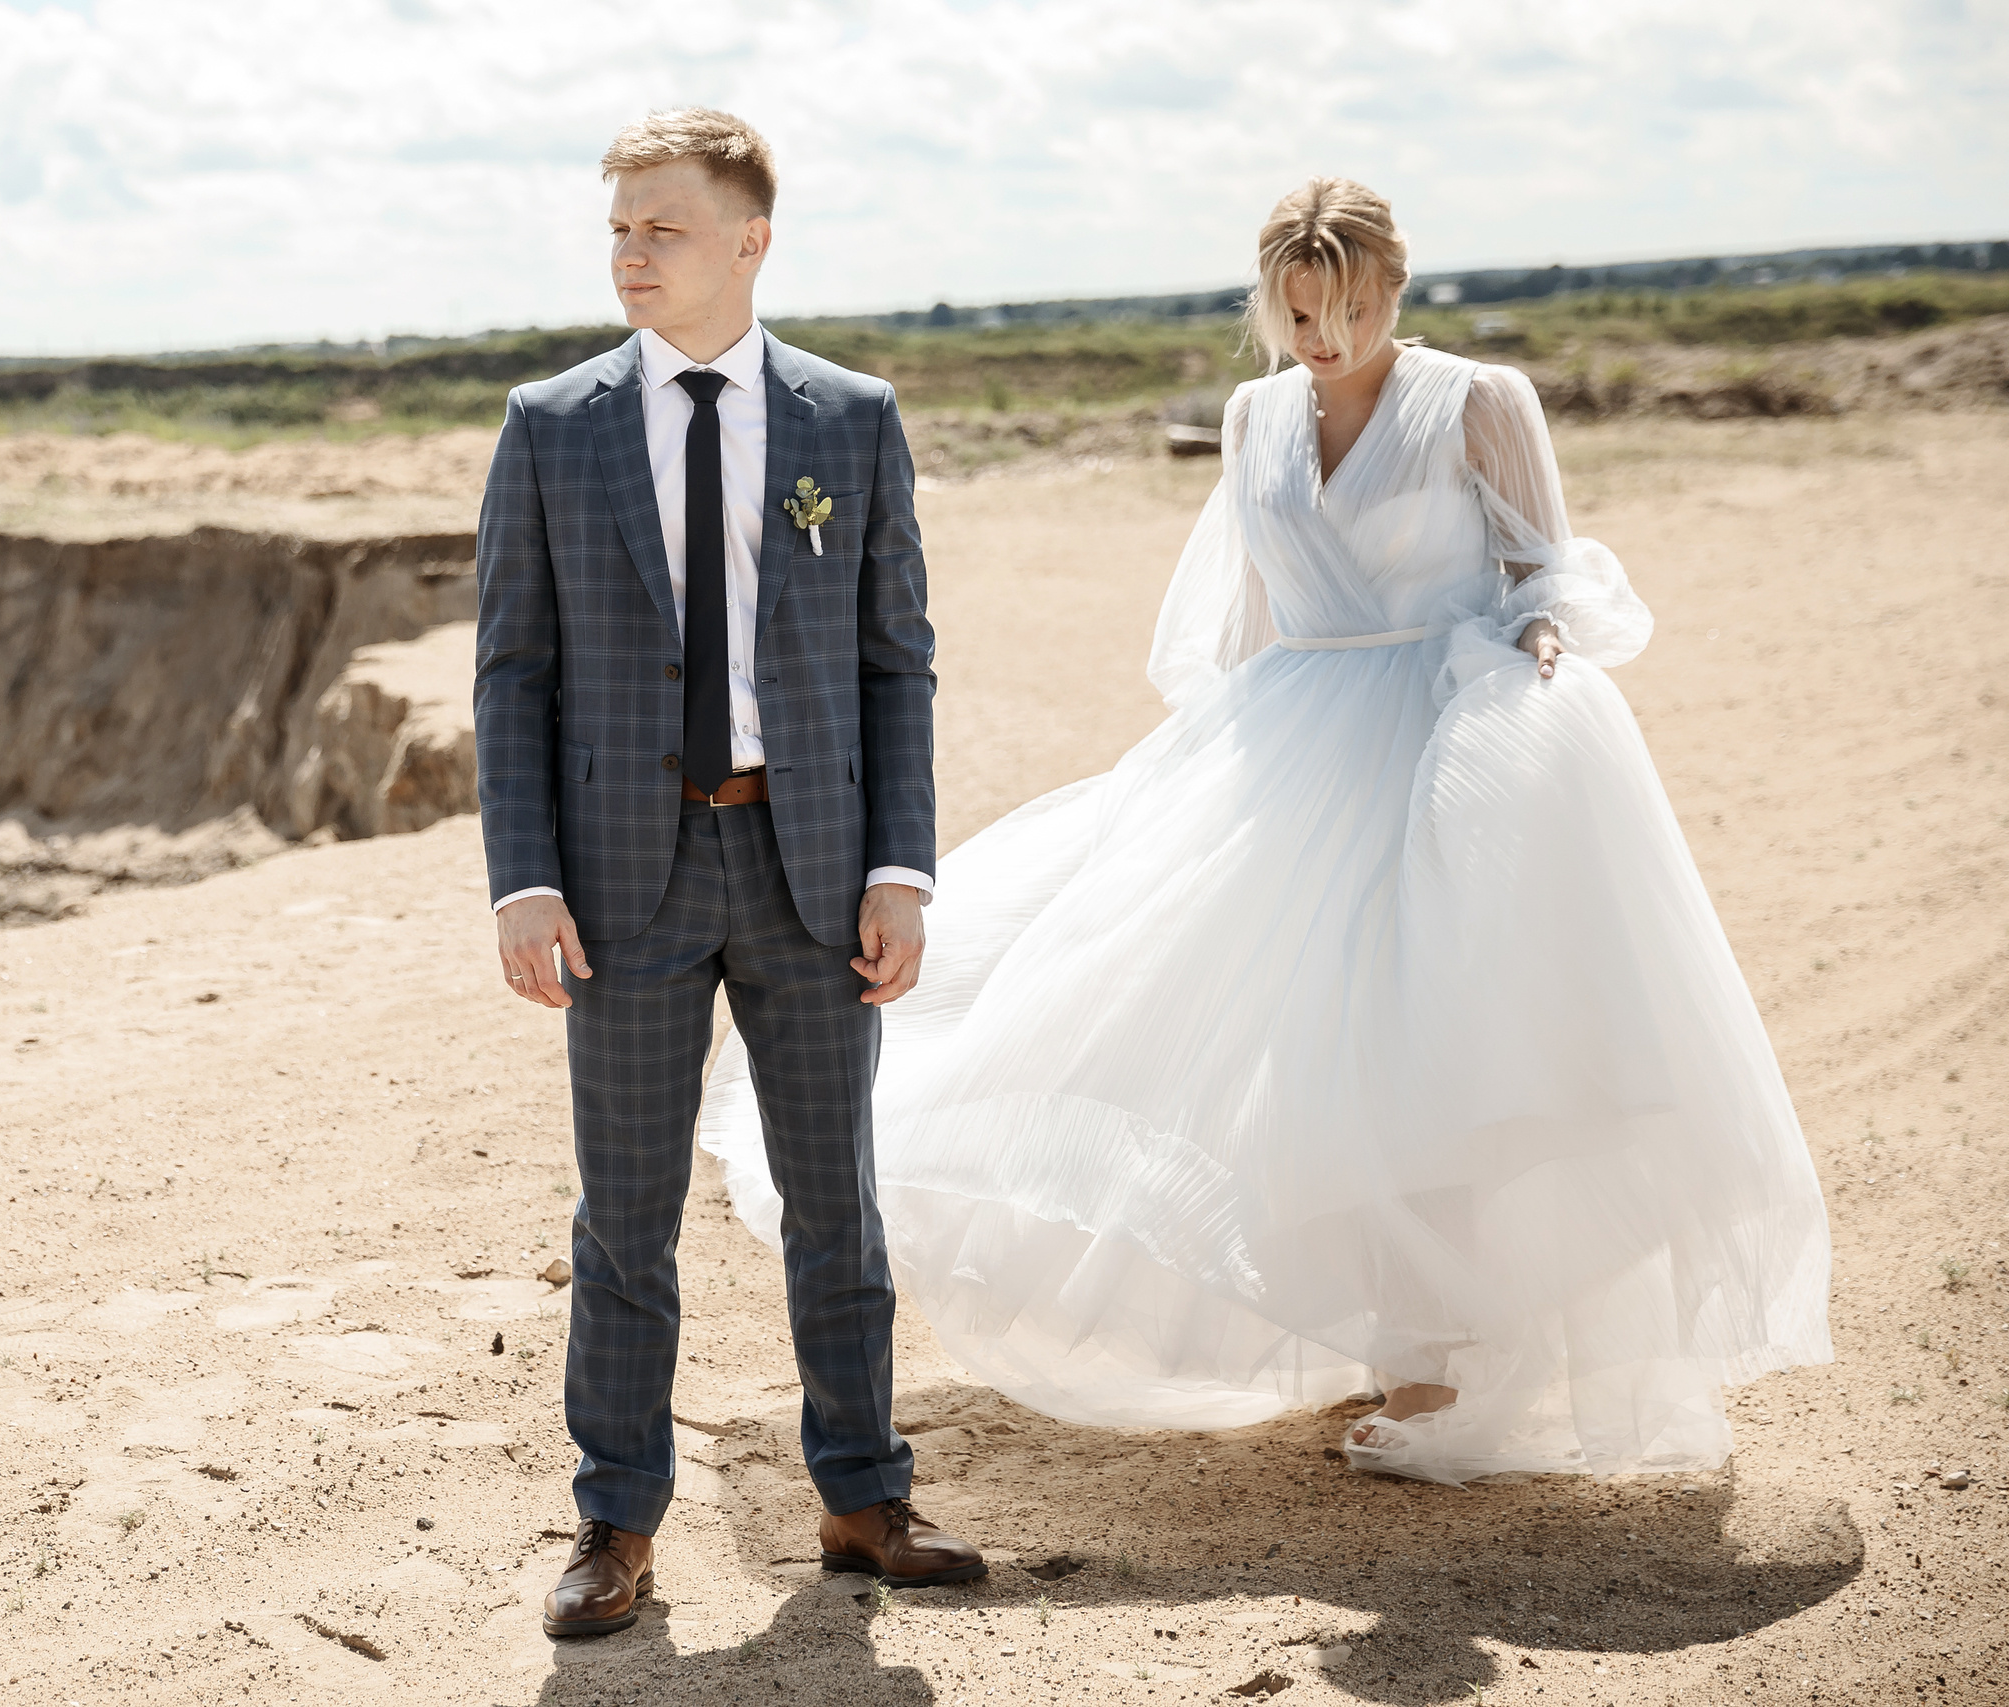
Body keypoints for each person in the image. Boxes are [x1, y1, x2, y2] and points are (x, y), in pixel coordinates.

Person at [701, 177, 1833, 1487]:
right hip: (1296, 738)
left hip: (1451, 735)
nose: (1325, 340)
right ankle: (1389, 1336)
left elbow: (1545, 572)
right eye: (1298, 314)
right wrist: (1206, 779)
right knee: (1280, 1041)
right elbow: (1241, 616)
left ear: (1394, 292)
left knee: (1445, 1046)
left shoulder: (1477, 400)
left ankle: (1448, 1363)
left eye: (1351, 311)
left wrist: (1536, 645)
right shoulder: (1253, 419)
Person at [474, 107, 987, 1640]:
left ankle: (863, 1494)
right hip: (619, 875)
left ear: (750, 238)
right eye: (618, 227)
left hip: (812, 864)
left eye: (663, 227)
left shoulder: (850, 419)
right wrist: (522, 877)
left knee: (839, 1197)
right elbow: (513, 672)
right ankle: (616, 1523)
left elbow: (898, 661)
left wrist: (902, 864)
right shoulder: (551, 423)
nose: (631, 252)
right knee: (625, 1217)